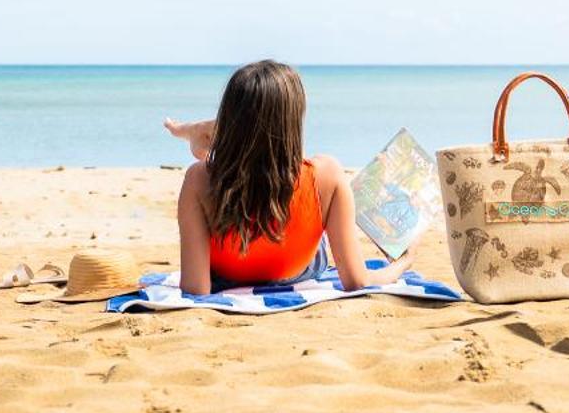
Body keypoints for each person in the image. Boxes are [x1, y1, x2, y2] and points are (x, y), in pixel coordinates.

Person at [164, 60, 419, 297]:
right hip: (298, 265)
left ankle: (202, 131)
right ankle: (204, 131)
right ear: (296, 120)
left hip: (229, 275)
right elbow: (358, 281)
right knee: (317, 197)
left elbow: (196, 289)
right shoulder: (327, 174)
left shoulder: (199, 179)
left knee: (229, 149)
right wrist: (403, 263)